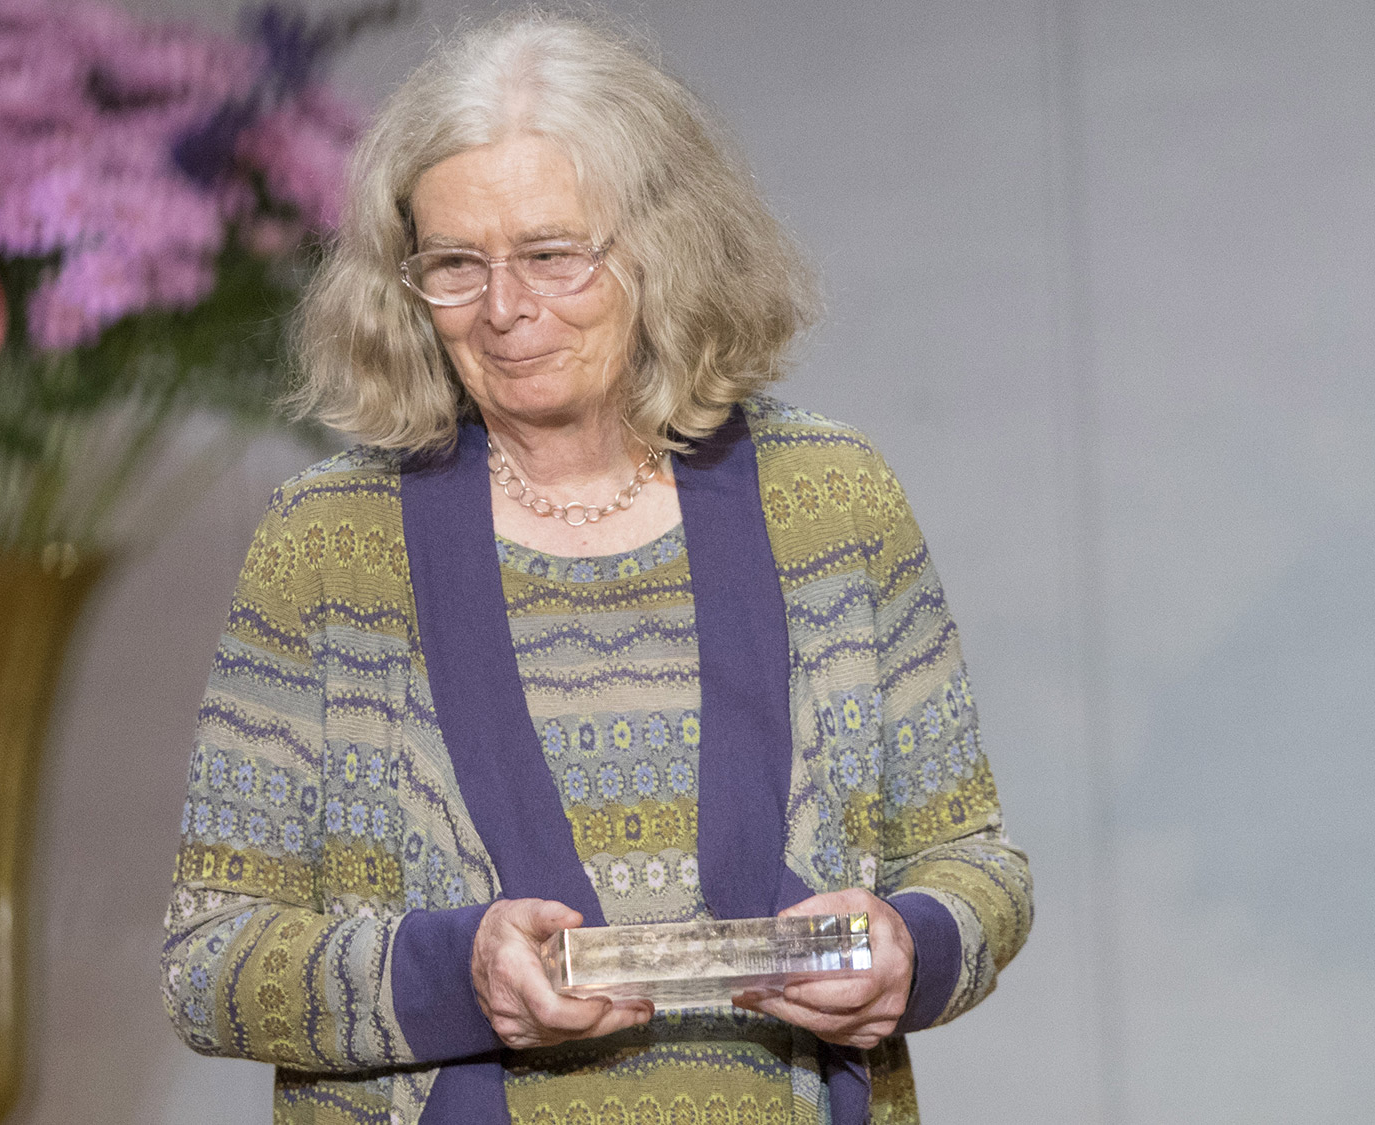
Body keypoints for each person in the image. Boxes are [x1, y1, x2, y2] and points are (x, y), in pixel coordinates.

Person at [162, 13, 1031, 1125]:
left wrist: (912, 945)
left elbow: (974, 864)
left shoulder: (830, 500)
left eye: (550, 254)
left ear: (666, 246)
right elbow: (207, 959)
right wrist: (456, 974)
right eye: (454, 265)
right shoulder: (328, 543)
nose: (504, 308)